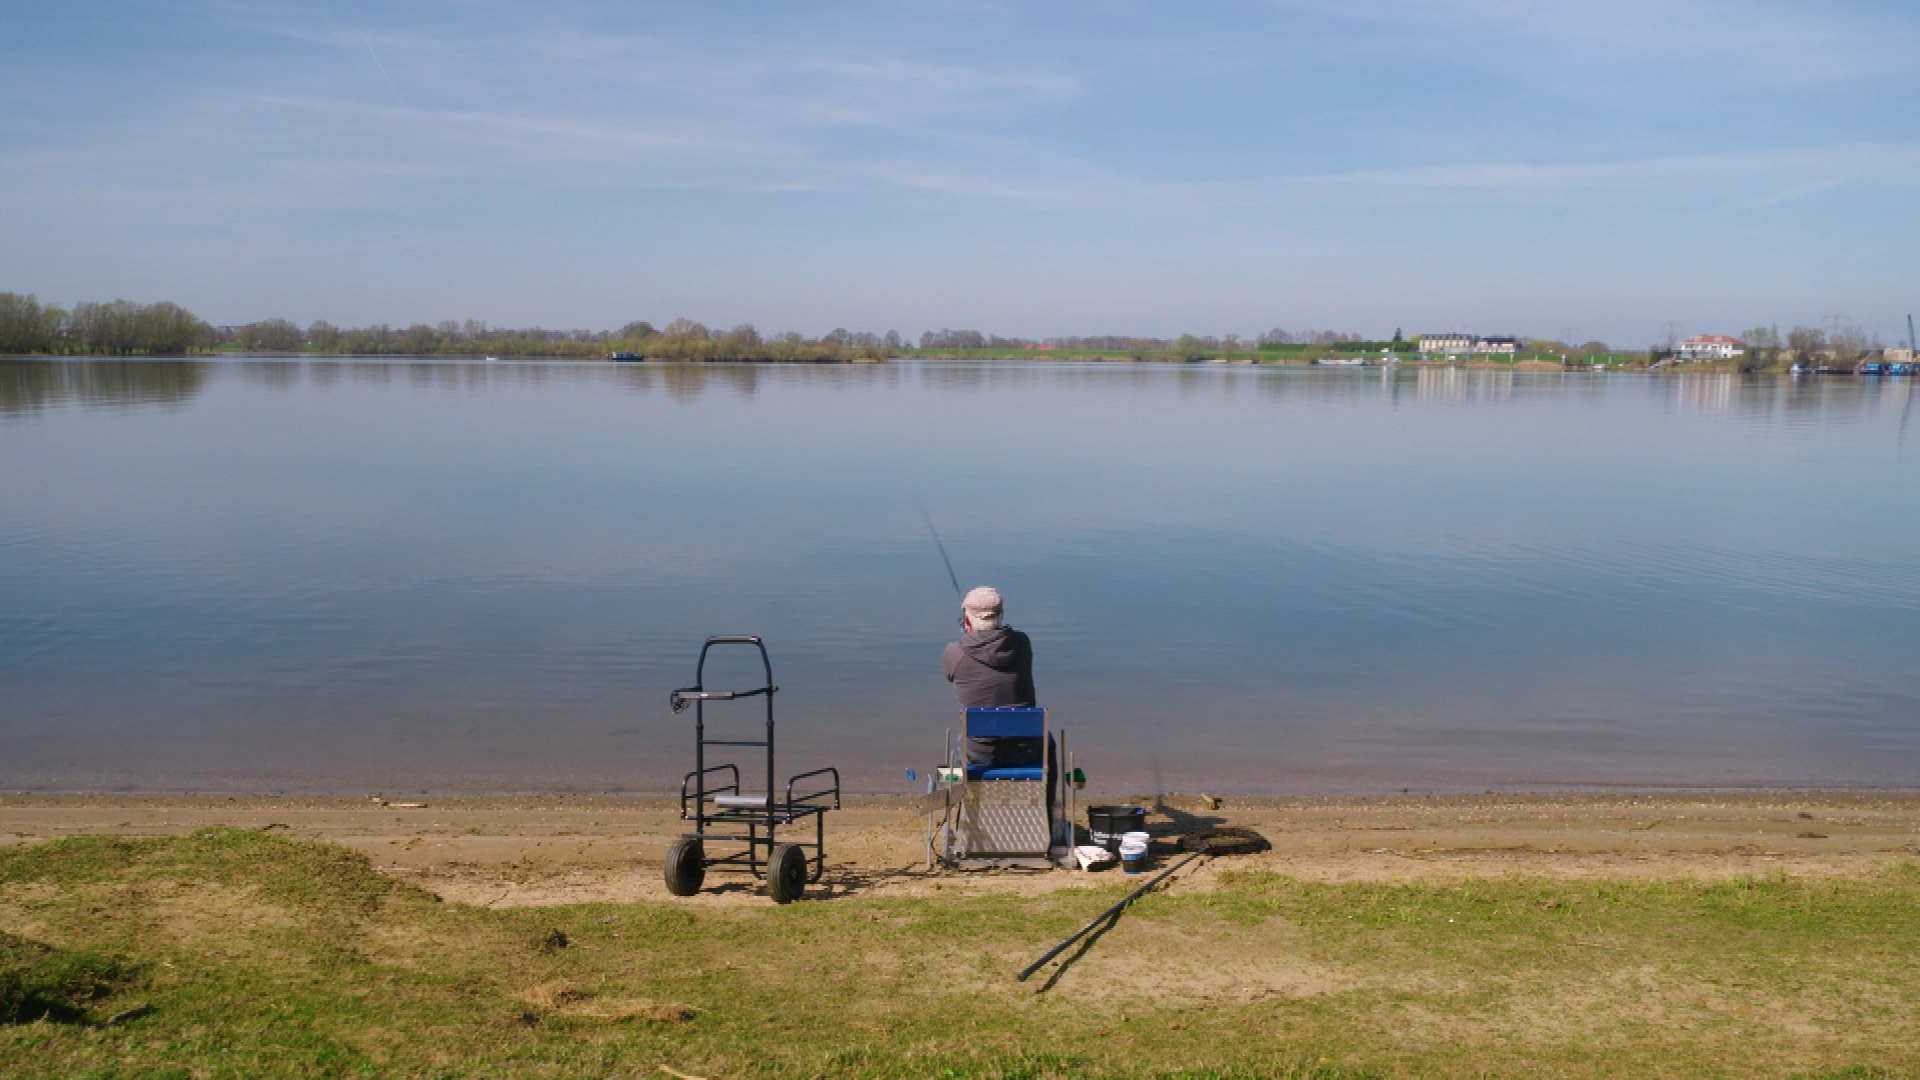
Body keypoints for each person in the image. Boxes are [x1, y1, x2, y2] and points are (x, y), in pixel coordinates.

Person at [942, 586, 1045, 779]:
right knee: (1050, 742)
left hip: (979, 753)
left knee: (961, 741)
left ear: (966, 619)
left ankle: (956, 798)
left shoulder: (954, 653)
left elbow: (950, 674)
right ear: (1001, 615)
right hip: (1025, 751)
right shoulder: (1022, 644)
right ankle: (1046, 802)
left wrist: (968, 634)